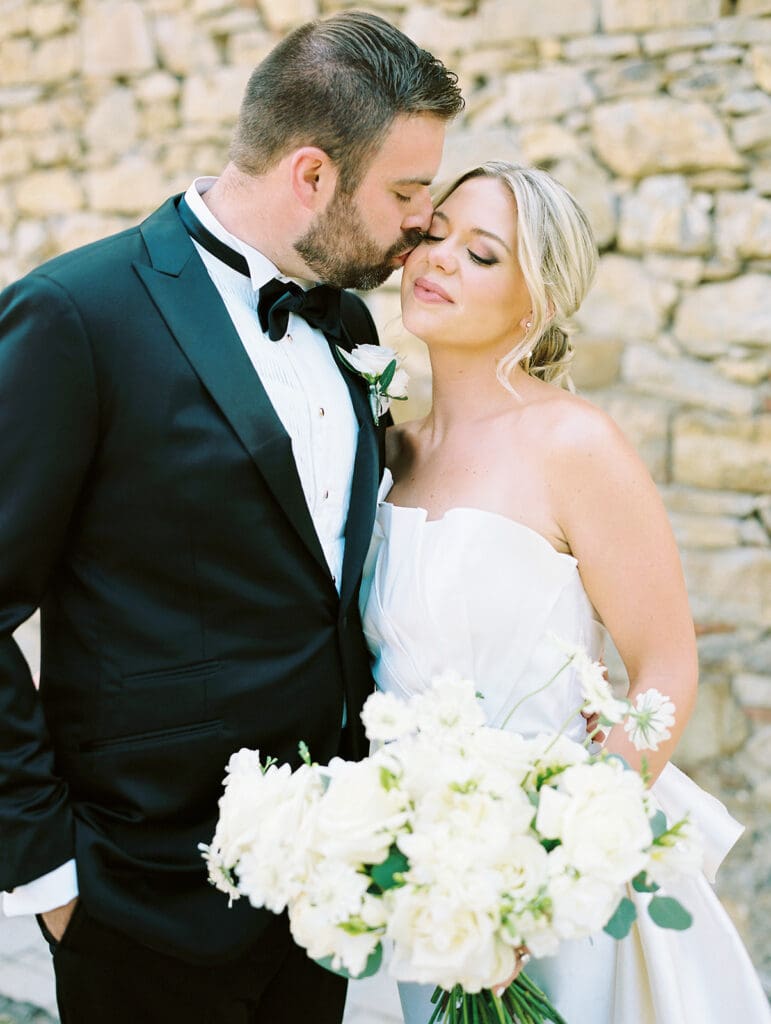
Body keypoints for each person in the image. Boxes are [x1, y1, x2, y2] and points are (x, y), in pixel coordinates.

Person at [0, 12, 462, 1024]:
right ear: (310, 174)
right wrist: (47, 873)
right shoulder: (75, 315)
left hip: (318, 900)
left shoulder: (346, 319)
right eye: (404, 192)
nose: (423, 223)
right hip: (136, 899)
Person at [359, 161, 771, 1023]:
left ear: (534, 303)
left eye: (480, 255)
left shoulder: (571, 445)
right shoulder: (385, 450)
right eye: (433, 235)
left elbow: (664, 667)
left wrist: (555, 865)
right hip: (417, 883)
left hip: (562, 887)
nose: (435, 260)